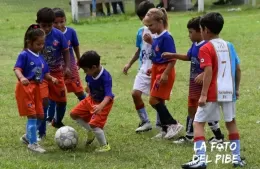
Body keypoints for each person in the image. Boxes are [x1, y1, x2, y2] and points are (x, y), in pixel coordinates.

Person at [181, 12, 245, 169]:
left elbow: (208, 72)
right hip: (229, 91)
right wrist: (236, 89)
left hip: (212, 93)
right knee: (231, 122)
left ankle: (200, 160)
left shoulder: (206, 47)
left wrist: (203, 94)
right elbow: (237, 69)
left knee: (198, 123)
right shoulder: (230, 45)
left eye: (201, 29)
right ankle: (236, 159)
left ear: (206, 30)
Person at [162, 16, 224, 144]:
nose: (188, 35)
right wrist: (173, 55)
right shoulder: (195, 45)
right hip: (193, 84)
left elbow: (213, 65)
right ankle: (189, 136)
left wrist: (203, 75)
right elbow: (188, 56)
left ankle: (219, 136)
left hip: (205, 86)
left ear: (200, 31)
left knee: (206, 110)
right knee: (191, 109)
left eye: (191, 32)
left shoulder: (208, 46)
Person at [15, 24, 58, 153]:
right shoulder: (24, 55)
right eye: (38, 44)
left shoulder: (41, 57)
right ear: (30, 42)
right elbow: (17, 69)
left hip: (37, 89)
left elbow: (45, 73)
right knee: (32, 115)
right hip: (26, 88)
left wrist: (52, 79)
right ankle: (33, 144)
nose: (41, 46)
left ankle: (28, 137)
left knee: (40, 115)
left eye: (42, 44)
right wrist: (22, 78)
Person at [143, 8, 183, 139]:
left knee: (153, 99)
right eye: (147, 26)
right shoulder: (156, 37)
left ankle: (173, 124)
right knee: (160, 100)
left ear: (160, 21)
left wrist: (165, 73)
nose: (149, 28)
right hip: (157, 69)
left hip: (165, 71)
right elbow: (159, 53)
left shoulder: (167, 37)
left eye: (151, 25)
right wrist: (153, 67)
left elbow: (172, 58)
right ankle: (165, 129)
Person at [123, 1, 161, 133]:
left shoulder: (160, 31)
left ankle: (161, 123)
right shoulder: (141, 32)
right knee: (135, 93)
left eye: (143, 18)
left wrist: (152, 41)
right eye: (141, 19)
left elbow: (163, 50)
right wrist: (129, 63)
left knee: (157, 98)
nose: (143, 22)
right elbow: (139, 50)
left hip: (157, 69)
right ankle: (145, 121)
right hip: (143, 68)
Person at [46, 8, 86, 126]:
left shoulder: (71, 32)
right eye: (56, 22)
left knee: (78, 90)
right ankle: (51, 118)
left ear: (65, 20)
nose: (59, 25)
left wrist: (79, 60)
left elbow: (76, 47)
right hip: (55, 69)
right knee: (54, 93)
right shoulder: (49, 35)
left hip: (70, 67)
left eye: (62, 21)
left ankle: (89, 110)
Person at [36, 7, 71, 140]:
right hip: (41, 74)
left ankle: (57, 121)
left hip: (57, 73)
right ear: (38, 23)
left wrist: (67, 67)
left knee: (61, 101)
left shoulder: (58, 35)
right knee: (44, 101)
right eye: (43, 25)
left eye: (49, 25)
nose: (46, 29)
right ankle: (41, 131)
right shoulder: (35, 35)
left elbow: (66, 51)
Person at [70, 50, 114, 152]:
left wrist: (100, 107)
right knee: (73, 114)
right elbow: (89, 82)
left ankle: (104, 145)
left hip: (103, 103)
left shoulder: (106, 77)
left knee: (95, 124)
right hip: (91, 99)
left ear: (94, 67)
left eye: (85, 70)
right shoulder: (90, 74)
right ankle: (90, 130)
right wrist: (88, 88)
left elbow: (108, 95)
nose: (85, 73)